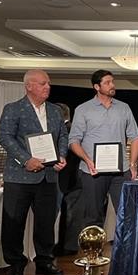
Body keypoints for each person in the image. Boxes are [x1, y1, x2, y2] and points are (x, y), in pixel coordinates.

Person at [0, 70, 68, 275]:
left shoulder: (55, 111)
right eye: (43, 83)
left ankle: (45, 260)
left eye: (48, 83)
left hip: (48, 176)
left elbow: (63, 136)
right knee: (14, 222)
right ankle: (16, 263)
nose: (48, 87)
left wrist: (61, 157)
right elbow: (5, 138)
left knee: (46, 222)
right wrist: (26, 159)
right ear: (29, 86)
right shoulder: (13, 108)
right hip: (19, 176)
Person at [69, 70, 138, 232]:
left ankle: (127, 255)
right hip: (93, 171)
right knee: (93, 216)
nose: (112, 85)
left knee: (127, 214)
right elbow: (73, 141)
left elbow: (135, 137)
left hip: (121, 171)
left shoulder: (124, 108)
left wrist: (133, 164)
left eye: (112, 81)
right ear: (96, 86)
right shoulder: (83, 109)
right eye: (107, 83)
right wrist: (88, 160)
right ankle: (94, 255)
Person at [53, 103, 82, 256]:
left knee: (66, 214)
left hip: (66, 177)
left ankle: (64, 246)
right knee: (71, 214)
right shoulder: (73, 129)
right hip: (73, 178)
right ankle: (68, 246)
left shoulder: (66, 130)